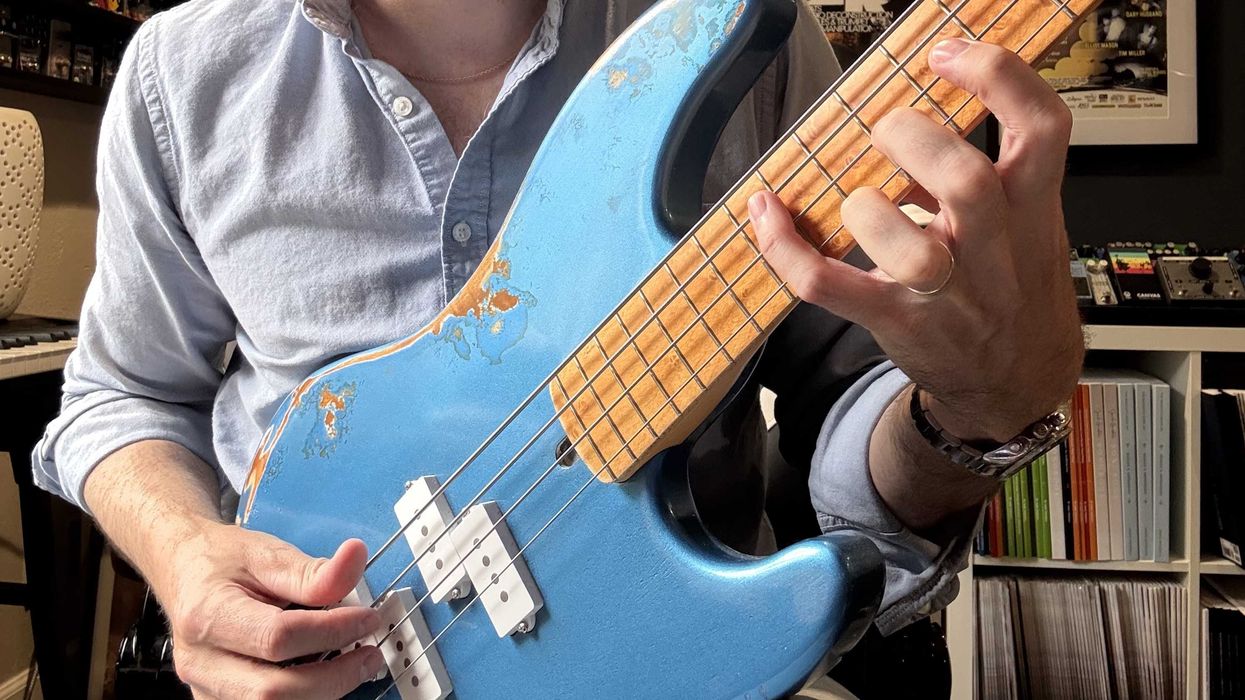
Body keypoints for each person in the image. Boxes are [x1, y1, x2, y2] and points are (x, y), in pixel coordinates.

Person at [32, 0, 1083, 698]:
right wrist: (184, 561)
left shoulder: (741, 30)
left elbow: (846, 425)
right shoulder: (185, 70)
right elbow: (120, 395)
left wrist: (967, 416)